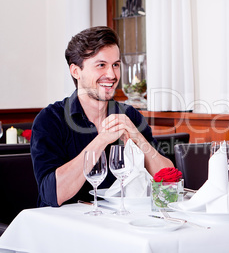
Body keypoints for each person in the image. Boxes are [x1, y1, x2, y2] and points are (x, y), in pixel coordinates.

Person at [31, 26, 173, 207]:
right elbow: (53, 195)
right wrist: (101, 140)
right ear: (75, 71)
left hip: (118, 224)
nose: (112, 75)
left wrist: (138, 138)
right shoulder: (50, 119)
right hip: (63, 227)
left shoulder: (130, 116)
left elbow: (169, 182)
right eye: (101, 65)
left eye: (115, 65)